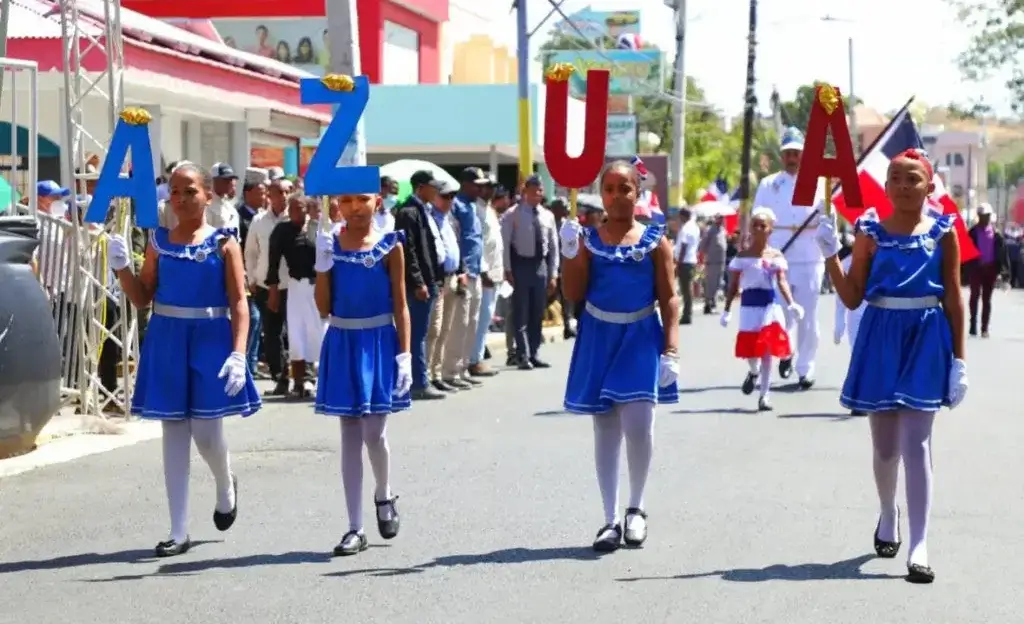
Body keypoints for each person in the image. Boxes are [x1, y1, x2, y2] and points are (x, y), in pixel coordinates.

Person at [816, 149, 970, 584]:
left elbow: (955, 298)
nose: (903, 186)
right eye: (896, 179)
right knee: (885, 448)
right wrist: (831, 254)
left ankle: (920, 543)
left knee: (916, 444)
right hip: (880, 335)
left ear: (929, 185)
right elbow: (851, 297)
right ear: (885, 187)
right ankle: (888, 512)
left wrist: (960, 360)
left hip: (925, 336)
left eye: (913, 179)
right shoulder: (869, 233)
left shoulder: (943, 232)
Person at [106, 163, 261, 557]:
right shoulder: (158, 243)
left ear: (207, 195)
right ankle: (178, 530)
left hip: (211, 338)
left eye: (189, 191)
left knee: (207, 436)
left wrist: (239, 354)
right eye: (174, 191)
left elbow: (239, 302)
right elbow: (142, 298)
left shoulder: (225, 243)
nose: (180, 199)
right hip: (168, 338)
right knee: (173, 431)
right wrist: (122, 268)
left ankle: (225, 482)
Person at [559, 159, 679, 552]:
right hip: (598, 334)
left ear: (637, 193)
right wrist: (569, 251)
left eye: (624, 188)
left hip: (641, 334)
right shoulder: (589, 240)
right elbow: (573, 294)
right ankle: (609, 518)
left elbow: (670, 298)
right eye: (609, 189)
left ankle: (636, 508)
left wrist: (671, 348)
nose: (616, 196)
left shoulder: (655, 240)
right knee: (606, 427)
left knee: (640, 424)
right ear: (601, 194)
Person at [313, 191, 412, 557]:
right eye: (347, 200)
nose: (355, 207)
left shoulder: (390, 245)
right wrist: (323, 265)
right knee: (350, 433)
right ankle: (355, 527)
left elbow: (400, 303)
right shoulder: (328, 242)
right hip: (343, 339)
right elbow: (323, 306)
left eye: (363, 199)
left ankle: (384, 492)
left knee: (375, 431)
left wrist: (405, 354)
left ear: (378, 201)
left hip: (379, 340)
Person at [754, 127, 823, 389]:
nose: (792, 157)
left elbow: (829, 221)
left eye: (796, 152)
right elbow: (758, 217)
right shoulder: (769, 184)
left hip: (809, 256)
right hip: (779, 256)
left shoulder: (818, 183)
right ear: (781, 156)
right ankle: (787, 351)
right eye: (788, 153)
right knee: (781, 314)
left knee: (807, 316)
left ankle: (805, 367)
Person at [720, 207, 803, 411]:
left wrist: (792, 303)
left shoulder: (775, 255)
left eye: (762, 225)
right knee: (751, 352)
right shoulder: (743, 257)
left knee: (767, 351)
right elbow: (733, 285)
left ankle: (765, 395)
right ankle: (753, 372)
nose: (758, 228)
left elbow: (782, 281)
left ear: (770, 230)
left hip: (769, 307)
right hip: (749, 308)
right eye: (755, 225)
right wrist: (727, 310)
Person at [394, 171, 445, 400]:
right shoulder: (408, 212)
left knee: (422, 332)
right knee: (417, 335)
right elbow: (409, 250)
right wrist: (418, 281)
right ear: (420, 187)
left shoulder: (423, 210)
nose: (436, 192)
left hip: (430, 280)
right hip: (420, 284)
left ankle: (420, 379)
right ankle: (418, 383)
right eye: (432, 187)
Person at [267, 192, 323, 397]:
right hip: (296, 287)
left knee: (317, 333)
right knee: (296, 334)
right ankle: (300, 381)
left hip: (318, 287)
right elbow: (273, 263)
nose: (294, 212)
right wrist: (273, 290)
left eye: (299, 207)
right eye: (291, 208)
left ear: (307, 208)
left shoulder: (318, 228)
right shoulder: (282, 230)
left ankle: (319, 378)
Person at [500, 175, 559, 369]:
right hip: (521, 265)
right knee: (521, 312)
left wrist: (553, 273)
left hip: (540, 266)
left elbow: (553, 247)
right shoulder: (512, 214)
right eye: (534, 190)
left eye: (540, 190)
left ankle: (534, 353)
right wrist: (508, 270)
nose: (538, 194)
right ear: (525, 192)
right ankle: (523, 355)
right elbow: (506, 244)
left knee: (536, 312)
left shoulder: (547, 216)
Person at [245, 178, 293, 394]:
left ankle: (297, 374)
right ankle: (279, 375)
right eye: (278, 192)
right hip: (265, 285)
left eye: (286, 192)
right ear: (269, 196)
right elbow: (251, 252)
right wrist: (252, 280)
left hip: (293, 285)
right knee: (272, 333)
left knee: (292, 333)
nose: (282, 197)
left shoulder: (298, 218)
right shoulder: (259, 221)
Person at [426, 180, 470, 391]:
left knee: (447, 330)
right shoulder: (429, 219)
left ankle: (440, 373)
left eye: (452, 197)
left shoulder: (451, 220)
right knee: (434, 329)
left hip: (454, 277)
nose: (449, 201)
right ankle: (428, 375)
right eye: (445, 196)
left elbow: (456, 247)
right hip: (439, 279)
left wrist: (462, 270)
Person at [446, 168, 487, 386]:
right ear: (465, 183)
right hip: (463, 272)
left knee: (472, 323)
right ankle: (451, 371)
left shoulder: (474, 205)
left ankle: (463, 369)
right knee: (458, 325)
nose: (480, 188)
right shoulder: (456, 206)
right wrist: (461, 270)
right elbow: (456, 240)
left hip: (476, 271)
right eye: (476, 184)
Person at [468, 179, 504, 377]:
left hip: (495, 272)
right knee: (480, 319)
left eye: (492, 186)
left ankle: (477, 357)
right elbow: (477, 244)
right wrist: (484, 272)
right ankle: (474, 360)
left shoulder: (489, 209)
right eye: (486, 186)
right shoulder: (475, 210)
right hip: (485, 274)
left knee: (486, 318)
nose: (490, 190)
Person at [832, 229, 868, 417]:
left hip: (879, 314)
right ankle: (860, 399)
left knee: (876, 355)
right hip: (855, 314)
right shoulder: (846, 262)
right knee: (858, 354)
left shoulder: (883, 259)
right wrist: (839, 323)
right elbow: (840, 297)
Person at [967, 203, 1008, 337]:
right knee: (974, 296)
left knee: (987, 299)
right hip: (976, 268)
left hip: (990, 269)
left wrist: (1004, 274)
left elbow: (1003, 255)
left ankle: (984, 328)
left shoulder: (997, 234)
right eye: (983, 216)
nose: (985, 218)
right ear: (979, 216)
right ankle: (973, 323)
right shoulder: (972, 233)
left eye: (987, 216)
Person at [698, 214, 728, 314]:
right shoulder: (710, 230)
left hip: (721, 261)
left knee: (718, 283)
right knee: (711, 283)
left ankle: (712, 303)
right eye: (719, 217)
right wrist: (702, 257)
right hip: (712, 261)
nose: (721, 219)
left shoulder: (722, 230)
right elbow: (703, 245)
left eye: (722, 218)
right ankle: (708, 304)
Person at [673, 209, 699, 324]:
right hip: (691, 260)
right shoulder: (694, 227)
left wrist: (678, 263)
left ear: (683, 216)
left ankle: (687, 315)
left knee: (685, 290)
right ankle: (687, 313)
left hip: (685, 262)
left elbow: (683, 246)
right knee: (688, 289)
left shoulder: (686, 228)